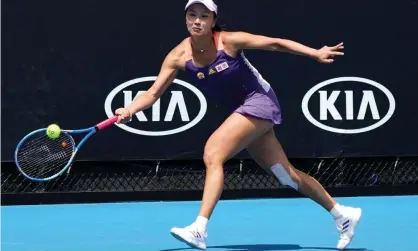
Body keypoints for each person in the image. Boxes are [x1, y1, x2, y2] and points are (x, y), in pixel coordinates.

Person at [114, 0, 362, 249]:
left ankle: (199, 228)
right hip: (242, 110)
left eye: (204, 16)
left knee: (213, 154)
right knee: (286, 175)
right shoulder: (178, 56)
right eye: (192, 15)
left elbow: (274, 43)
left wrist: (314, 52)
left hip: (259, 101)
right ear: (185, 19)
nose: (197, 21)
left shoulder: (229, 41)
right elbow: (153, 93)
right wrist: (129, 110)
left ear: (213, 21)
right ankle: (342, 214)